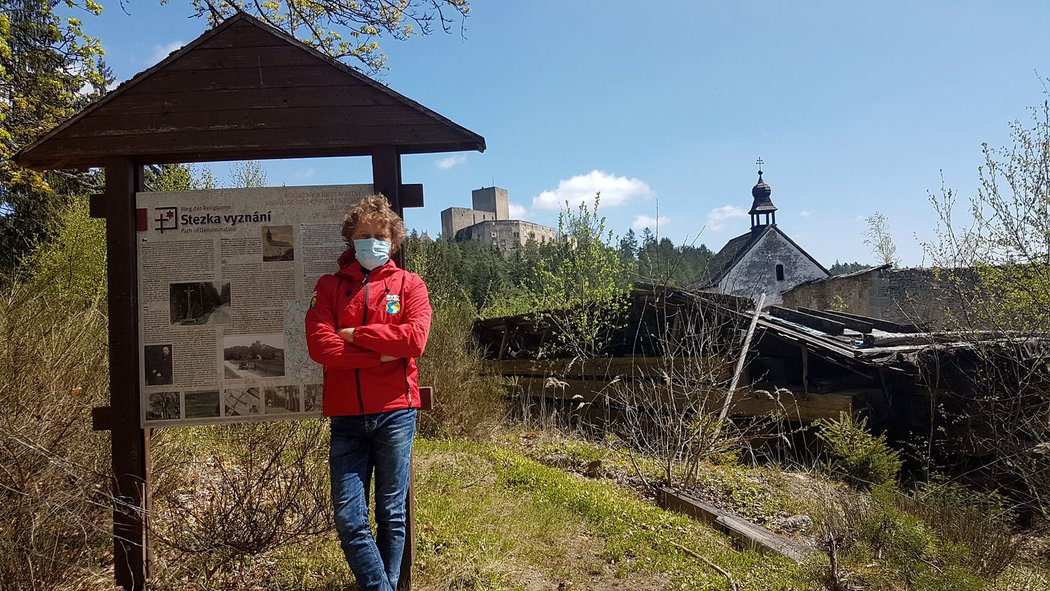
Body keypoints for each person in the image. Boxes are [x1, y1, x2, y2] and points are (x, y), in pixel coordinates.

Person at [305, 194, 432, 591]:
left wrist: (356, 335)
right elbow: (319, 345)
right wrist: (378, 357)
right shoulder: (328, 286)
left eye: (380, 235)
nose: (372, 241)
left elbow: (414, 340)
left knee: (392, 513)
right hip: (346, 416)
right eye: (364, 234)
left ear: (393, 241)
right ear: (351, 239)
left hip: (396, 412)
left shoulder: (410, 284)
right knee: (348, 516)